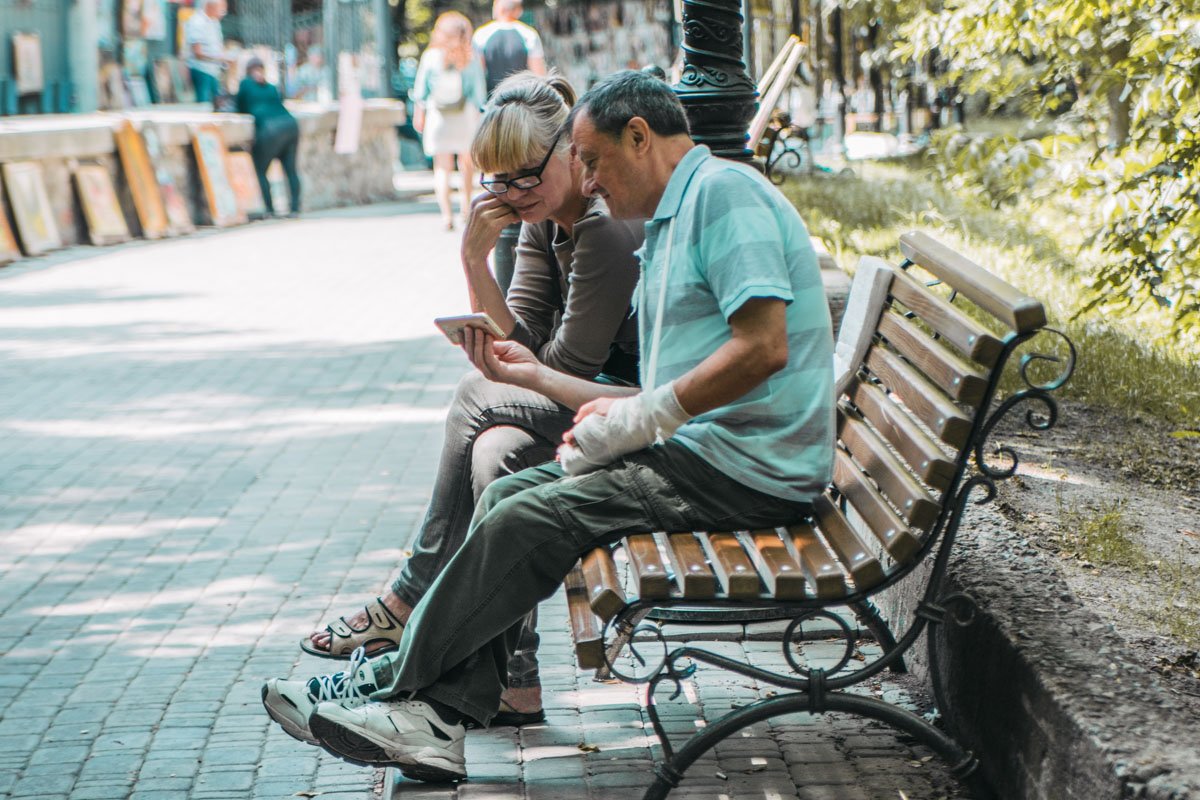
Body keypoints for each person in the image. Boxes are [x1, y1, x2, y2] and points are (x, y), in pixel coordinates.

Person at [261, 69, 833, 783]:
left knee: (527, 516)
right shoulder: (676, 214)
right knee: (507, 493)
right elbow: (659, 384)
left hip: (745, 468)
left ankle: (392, 689)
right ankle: (436, 715)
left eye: (592, 160)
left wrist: (640, 416)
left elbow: (764, 348)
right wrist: (596, 401)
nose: (588, 181)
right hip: (708, 454)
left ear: (639, 136)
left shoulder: (724, 196)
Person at [270, 71, 642, 734]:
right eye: (498, 182)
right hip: (576, 409)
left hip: (622, 410)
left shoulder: (602, 232)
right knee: (496, 455)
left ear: (569, 152)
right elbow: (519, 339)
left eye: (525, 177)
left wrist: (506, 363)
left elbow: (560, 369)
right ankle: (515, 683)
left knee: (475, 397)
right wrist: (474, 259)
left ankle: (408, 597)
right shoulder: (541, 223)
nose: (512, 195)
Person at [412, 12, 488, 231]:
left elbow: (421, 91)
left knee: (442, 167)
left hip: (438, 116)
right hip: (465, 116)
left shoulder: (430, 56)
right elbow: (479, 94)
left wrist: (419, 115)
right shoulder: (470, 57)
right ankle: (465, 208)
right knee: (466, 164)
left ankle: (446, 215)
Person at [235, 57, 302, 218]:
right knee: (291, 170)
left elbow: (239, 107)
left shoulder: (245, 84)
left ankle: (270, 209)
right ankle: (294, 208)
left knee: (260, 169)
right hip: (290, 125)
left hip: (270, 129)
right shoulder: (271, 87)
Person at [473, 0, 546, 97]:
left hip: (493, 99)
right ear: (518, 10)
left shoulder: (481, 34)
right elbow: (539, 75)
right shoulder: (529, 34)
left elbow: (478, 74)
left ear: (499, 8)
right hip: (521, 99)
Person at [184, 0, 234, 103]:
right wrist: (220, 58)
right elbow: (197, 53)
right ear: (210, 6)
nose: (223, 13)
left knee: (216, 103)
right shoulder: (197, 22)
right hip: (201, 70)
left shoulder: (214, 22)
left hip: (213, 71)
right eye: (221, 9)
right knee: (204, 104)